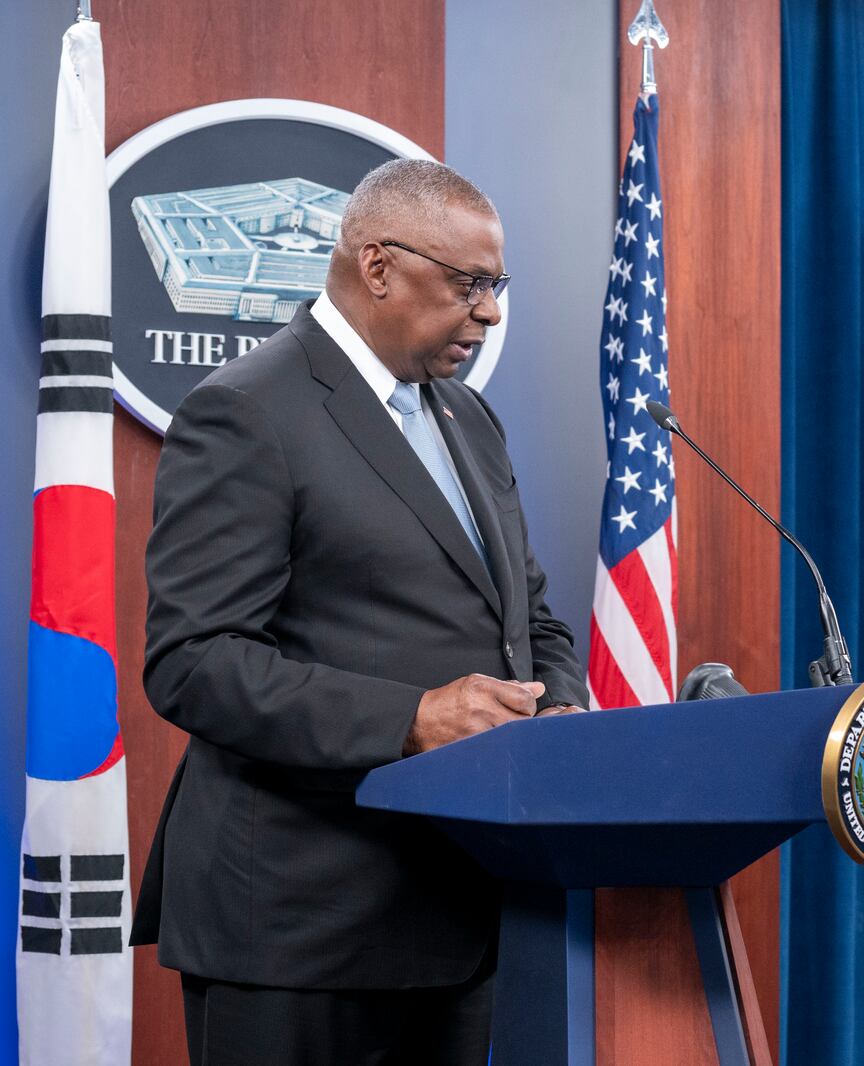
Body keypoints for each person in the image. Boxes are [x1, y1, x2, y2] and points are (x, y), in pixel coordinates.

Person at [129, 159, 588, 1065]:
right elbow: (193, 659)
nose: (489, 312)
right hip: (301, 930)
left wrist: (559, 711)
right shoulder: (247, 411)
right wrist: (410, 719)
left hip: (463, 914)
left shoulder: (468, 418)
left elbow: (528, 619)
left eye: (497, 286)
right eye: (468, 284)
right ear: (378, 265)